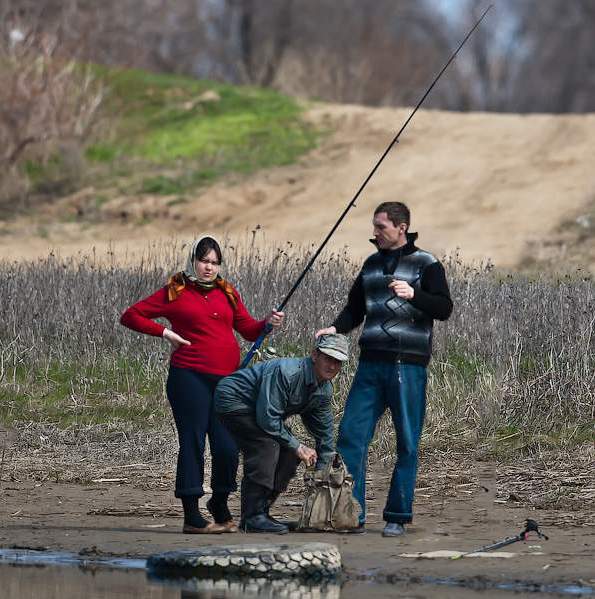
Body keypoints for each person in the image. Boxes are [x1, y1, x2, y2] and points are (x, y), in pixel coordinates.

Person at [120, 235, 284, 534]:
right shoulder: (175, 291)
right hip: (188, 377)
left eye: (214, 262)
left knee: (226, 446)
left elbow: (248, 330)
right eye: (203, 260)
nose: (209, 267)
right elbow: (131, 316)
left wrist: (267, 324)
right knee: (193, 442)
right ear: (192, 260)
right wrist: (166, 334)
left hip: (227, 382)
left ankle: (219, 503)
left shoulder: (228, 292)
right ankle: (191, 515)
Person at [316, 202, 453, 537]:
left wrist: (414, 294)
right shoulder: (371, 265)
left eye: (381, 227)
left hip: (409, 366)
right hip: (370, 364)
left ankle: (397, 515)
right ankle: (353, 513)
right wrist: (335, 329)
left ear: (401, 227)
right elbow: (354, 310)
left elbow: (444, 307)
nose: (375, 232)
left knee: (407, 441)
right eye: (375, 226)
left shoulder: (427, 264)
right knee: (351, 436)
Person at [214, 334, 349, 534]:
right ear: (314, 355)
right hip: (233, 400)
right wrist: (297, 446)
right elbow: (267, 419)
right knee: (267, 445)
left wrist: (325, 473)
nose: (332, 366)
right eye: (328, 358)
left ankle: (262, 511)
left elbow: (325, 435)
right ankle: (252, 518)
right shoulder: (287, 373)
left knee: (289, 451)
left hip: (261, 411)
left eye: (337, 362)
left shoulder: (324, 390)